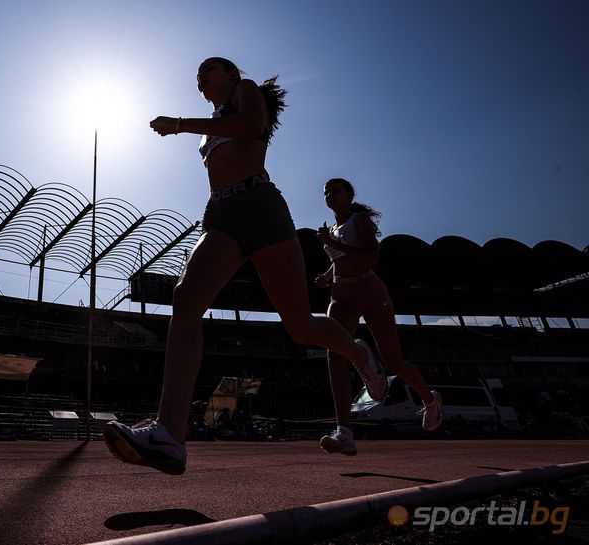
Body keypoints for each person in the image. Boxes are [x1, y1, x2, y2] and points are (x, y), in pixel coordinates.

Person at [102, 57, 388, 475]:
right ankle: (170, 435)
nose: (200, 75)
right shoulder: (211, 126)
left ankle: (359, 353)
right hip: (220, 214)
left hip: (260, 207)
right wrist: (189, 128)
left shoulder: (245, 90)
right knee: (186, 300)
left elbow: (252, 127)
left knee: (300, 327)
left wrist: (179, 124)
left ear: (232, 74)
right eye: (198, 73)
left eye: (210, 68)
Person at [315, 177, 443, 455]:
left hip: (370, 291)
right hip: (341, 293)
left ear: (349, 195)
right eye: (325, 192)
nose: (329, 195)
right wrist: (326, 276)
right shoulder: (332, 229)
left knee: (394, 361)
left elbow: (371, 257)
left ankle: (430, 400)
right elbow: (339, 260)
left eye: (335, 190)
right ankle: (344, 433)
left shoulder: (358, 220)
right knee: (334, 354)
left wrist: (332, 243)